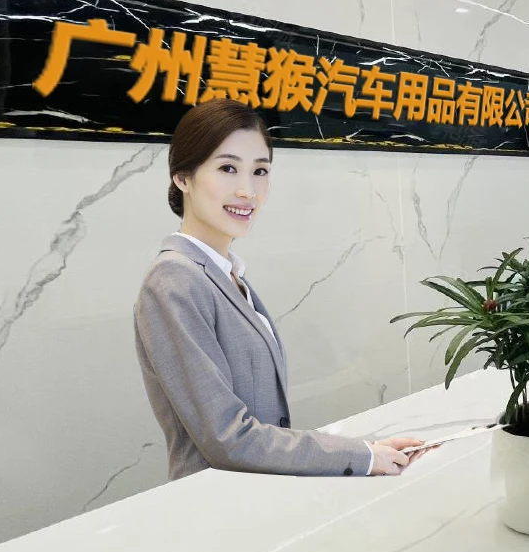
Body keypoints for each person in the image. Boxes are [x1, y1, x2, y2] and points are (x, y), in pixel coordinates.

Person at [135, 99, 423, 480]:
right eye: (227, 168)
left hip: (258, 495)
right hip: (216, 502)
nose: (247, 190)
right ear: (183, 177)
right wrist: (362, 457)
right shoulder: (174, 279)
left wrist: (367, 450)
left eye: (260, 171)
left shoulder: (227, 275)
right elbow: (229, 438)